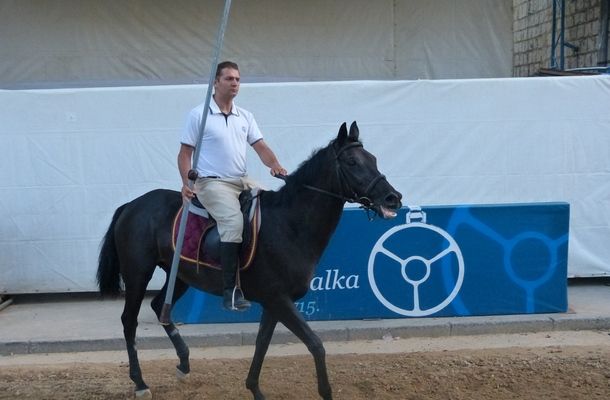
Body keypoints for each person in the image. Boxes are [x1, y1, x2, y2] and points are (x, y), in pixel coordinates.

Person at [178, 61, 286, 311]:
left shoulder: (245, 116)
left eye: (237, 79)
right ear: (216, 82)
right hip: (211, 183)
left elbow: (261, 147)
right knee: (233, 223)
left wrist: (275, 165)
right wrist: (186, 182)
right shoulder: (199, 115)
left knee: (272, 208)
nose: (235, 83)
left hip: (241, 180)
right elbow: (184, 154)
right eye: (229, 79)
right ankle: (230, 291)